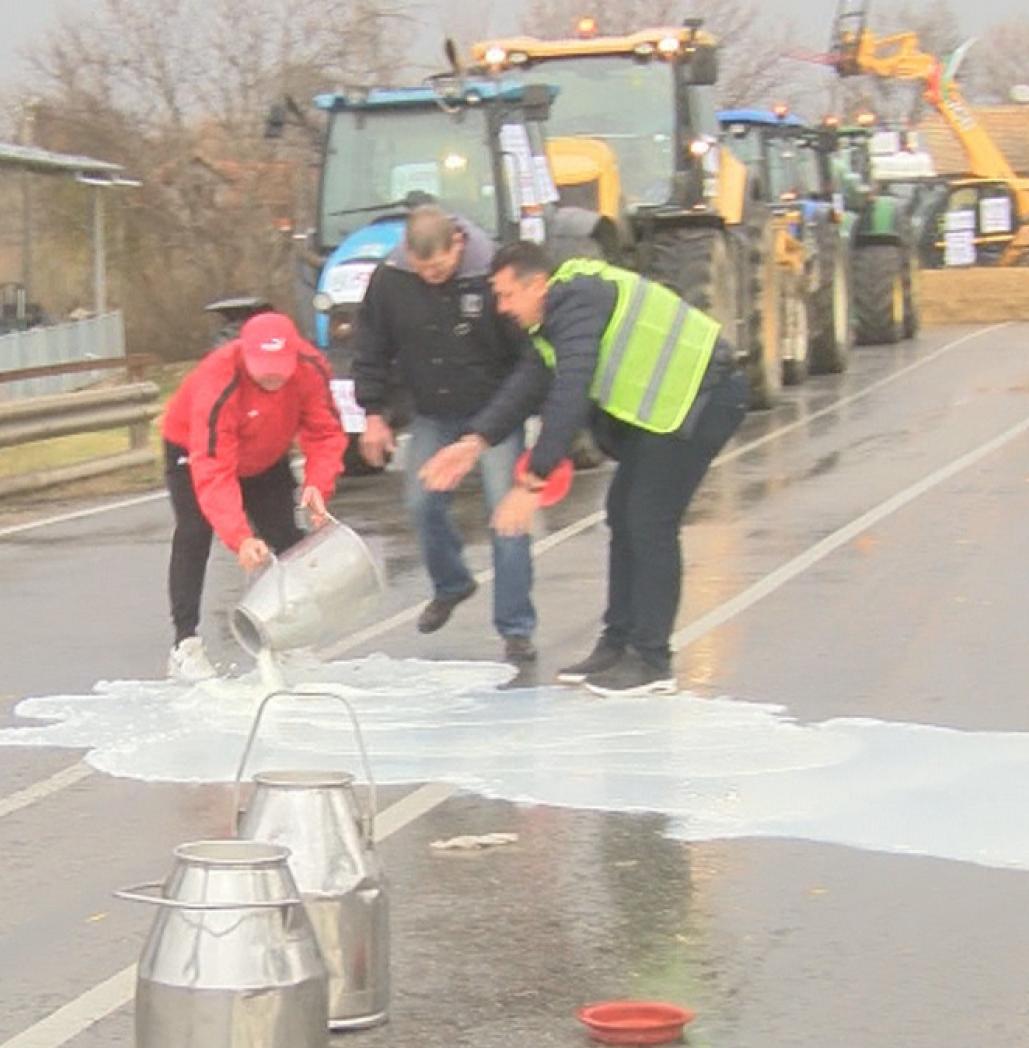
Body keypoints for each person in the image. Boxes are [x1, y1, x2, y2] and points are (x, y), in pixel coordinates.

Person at [419, 242, 750, 697]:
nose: (502, 308)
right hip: (670, 409)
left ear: (537, 285)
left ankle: (651, 660)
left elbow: (570, 393)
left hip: (706, 397)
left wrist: (532, 481)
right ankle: (617, 643)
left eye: (507, 295)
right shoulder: (554, 321)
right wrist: (473, 442)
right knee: (623, 513)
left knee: (648, 521)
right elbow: (528, 384)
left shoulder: (579, 303)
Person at [353, 205, 540, 664]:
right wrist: (373, 413)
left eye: (438, 268)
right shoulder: (392, 281)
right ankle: (452, 583)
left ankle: (516, 627)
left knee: (507, 516)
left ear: (457, 242)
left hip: (493, 415)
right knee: (420, 503)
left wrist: (501, 421)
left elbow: (528, 357)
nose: (431, 277)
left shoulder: (492, 275)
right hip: (434, 413)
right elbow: (371, 345)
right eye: (422, 270)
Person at [159, 311, 345, 679]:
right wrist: (240, 538)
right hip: (193, 447)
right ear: (244, 354)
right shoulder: (220, 379)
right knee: (195, 531)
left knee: (288, 539)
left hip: (265, 451)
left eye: (280, 366)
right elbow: (214, 470)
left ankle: (289, 638)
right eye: (262, 366)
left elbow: (325, 433)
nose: (272, 375)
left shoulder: (311, 369)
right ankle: (185, 644)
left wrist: (317, 486)